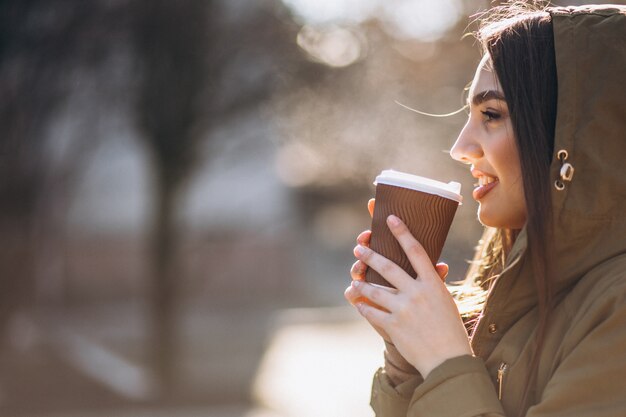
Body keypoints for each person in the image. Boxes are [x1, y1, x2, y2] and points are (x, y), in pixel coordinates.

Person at [344, 4, 626, 416]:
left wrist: (446, 362)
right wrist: (410, 360)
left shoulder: (615, 306)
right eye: (469, 116)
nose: (460, 148)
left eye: (491, 114)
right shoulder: (510, 280)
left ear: (575, 134)